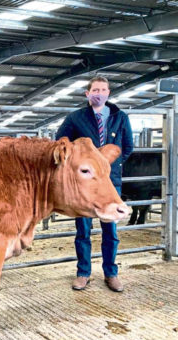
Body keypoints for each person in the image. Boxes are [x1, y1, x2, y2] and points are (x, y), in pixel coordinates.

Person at [55, 76, 133, 292]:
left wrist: (107, 168)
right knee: (83, 230)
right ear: (87, 94)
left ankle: (111, 273)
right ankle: (83, 273)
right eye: (95, 89)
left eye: (103, 89)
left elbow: (127, 147)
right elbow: (60, 143)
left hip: (110, 183)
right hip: (85, 186)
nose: (99, 93)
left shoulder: (120, 117)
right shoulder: (75, 118)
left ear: (108, 93)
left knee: (111, 230)